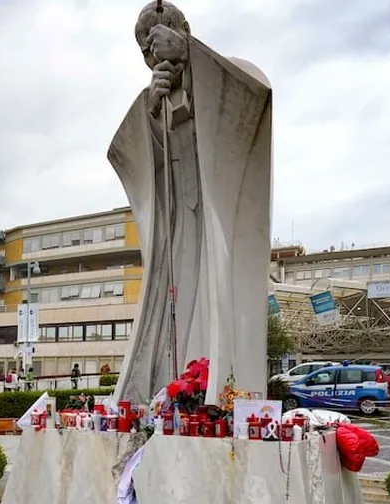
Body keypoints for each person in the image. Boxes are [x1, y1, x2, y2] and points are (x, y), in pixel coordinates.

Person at [111, 1, 272, 406]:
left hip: (219, 217)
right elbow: (137, 160)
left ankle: (219, 395)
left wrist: (188, 56)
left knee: (215, 304)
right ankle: (175, 393)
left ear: (181, 31)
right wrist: (152, 116)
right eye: (146, 52)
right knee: (177, 309)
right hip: (179, 224)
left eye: (158, 43)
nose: (154, 57)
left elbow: (253, 97)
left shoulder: (224, 73)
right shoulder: (155, 99)